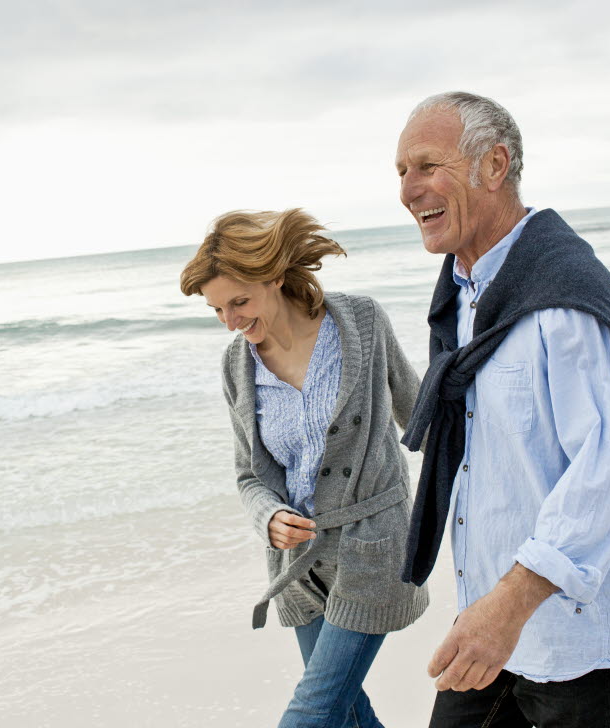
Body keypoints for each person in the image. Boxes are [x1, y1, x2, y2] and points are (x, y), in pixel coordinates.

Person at [394, 92, 610, 727]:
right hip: (486, 627)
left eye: (427, 165)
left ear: (493, 165)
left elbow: (607, 473)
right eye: (401, 171)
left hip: (570, 643)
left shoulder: (561, 294)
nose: (409, 190)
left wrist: (508, 607)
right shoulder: (462, 296)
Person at [180, 208, 429, 728]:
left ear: (274, 276)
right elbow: (249, 475)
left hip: (371, 548)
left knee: (312, 713)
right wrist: (268, 515)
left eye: (239, 302)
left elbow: (420, 413)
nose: (231, 321)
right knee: (349, 714)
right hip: (299, 566)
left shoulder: (361, 324)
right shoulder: (236, 365)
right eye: (217, 310)